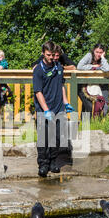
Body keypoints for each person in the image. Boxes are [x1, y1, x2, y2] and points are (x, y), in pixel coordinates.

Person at [33, 41, 75, 178]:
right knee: (43, 138)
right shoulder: (38, 70)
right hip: (44, 109)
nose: (51, 57)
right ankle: (43, 164)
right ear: (43, 54)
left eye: (52, 55)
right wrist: (45, 110)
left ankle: (53, 162)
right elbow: (38, 92)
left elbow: (61, 85)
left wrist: (66, 102)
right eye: (48, 55)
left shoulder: (58, 67)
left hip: (58, 107)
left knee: (56, 137)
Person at [77, 43, 109, 116]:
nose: (98, 54)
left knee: (104, 104)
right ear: (93, 51)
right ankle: (85, 125)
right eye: (97, 52)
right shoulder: (89, 56)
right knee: (87, 106)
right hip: (84, 85)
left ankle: (96, 123)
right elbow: (79, 66)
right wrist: (94, 67)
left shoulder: (102, 59)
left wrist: (103, 57)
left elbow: (107, 69)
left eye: (101, 52)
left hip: (99, 84)